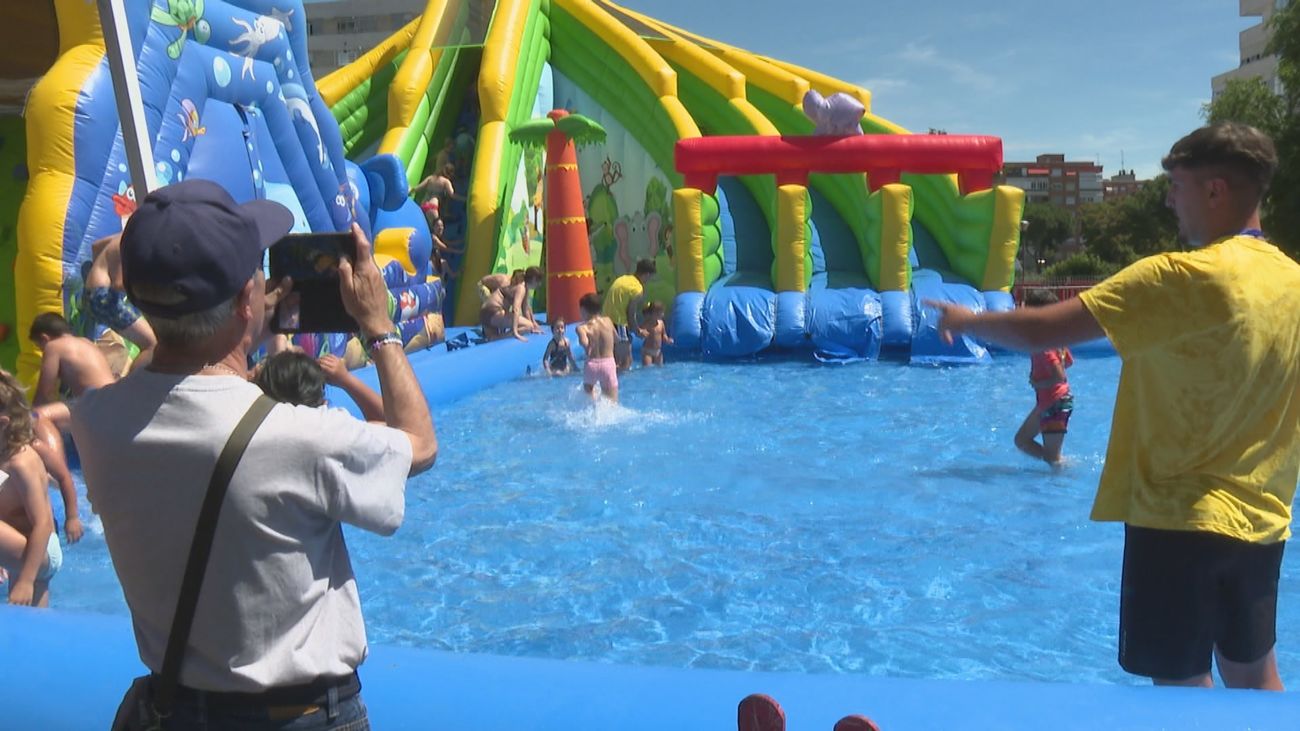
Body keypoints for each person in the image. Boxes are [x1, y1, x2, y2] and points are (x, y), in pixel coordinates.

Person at [927, 123, 1300, 690]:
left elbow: (1045, 330)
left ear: (1215, 191)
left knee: (1180, 688)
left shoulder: (1179, 275)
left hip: (1177, 518)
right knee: (1255, 676)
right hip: (1263, 520)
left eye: (1176, 185)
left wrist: (966, 320)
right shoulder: (1292, 282)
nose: (1169, 198)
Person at [70, 179, 437, 728]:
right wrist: (378, 324)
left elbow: (173, 374)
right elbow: (420, 444)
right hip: (303, 716)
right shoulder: (298, 436)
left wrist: (240, 330)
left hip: (180, 712)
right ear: (247, 298)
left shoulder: (96, 422)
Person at [28, 311, 114, 544]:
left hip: (93, 404)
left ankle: (56, 472)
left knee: (37, 417)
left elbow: (45, 392)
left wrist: (25, 421)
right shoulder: (85, 342)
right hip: (113, 403)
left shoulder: (54, 347)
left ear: (45, 338)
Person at [0, 371, 60, 607]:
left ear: (3, 423)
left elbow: (43, 523)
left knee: (27, 591)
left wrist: (26, 579)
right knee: (33, 622)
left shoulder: (21, 462)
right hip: (21, 545)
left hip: (41, 549)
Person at [1014, 290, 1074, 468]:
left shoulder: (1043, 343)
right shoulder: (1056, 338)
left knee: (1052, 459)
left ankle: (1064, 473)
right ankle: (1060, 463)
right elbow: (1068, 362)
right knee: (1021, 440)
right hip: (1049, 402)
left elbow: (1060, 376)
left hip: (1055, 403)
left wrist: (1038, 382)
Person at [83, 233, 157, 370]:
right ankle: (132, 385)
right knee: (152, 344)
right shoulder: (130, 242)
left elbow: (95, 246)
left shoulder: (120, 237)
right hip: (104, 298)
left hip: (94, 293)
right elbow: (119, 283)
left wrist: (97, 271)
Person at [254, 350, 386, 423]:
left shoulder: (255, 419)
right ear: (323, 403)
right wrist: (346, 380)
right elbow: (392, 424)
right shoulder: (329, 432)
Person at [603, 258, 655, 371]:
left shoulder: (623, 279)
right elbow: (631, 313)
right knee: (625, 362)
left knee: (613, 359)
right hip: (618, 322)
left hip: (605, 321)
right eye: (649, 277)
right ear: (646, 274)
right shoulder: (637, 288)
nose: (648, 280)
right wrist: (638, 331)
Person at [481, 267, 543, 341]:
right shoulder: (521, 288)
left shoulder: (523, 287)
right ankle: (498, 338)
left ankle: (494, 335)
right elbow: (516, 309)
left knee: (531, 325)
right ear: (533, 279)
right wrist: (515, 331)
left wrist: (534, 324)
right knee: (528, 326)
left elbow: (526, 308)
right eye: (538, 281)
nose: (539, 284)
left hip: (485, 314)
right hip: (493, 312)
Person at [577, 293, 618, 403]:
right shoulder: (608, 321)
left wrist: (587, 345)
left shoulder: (582, 327)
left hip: (592, 365)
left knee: (588, 401)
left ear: (583, 309)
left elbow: (583, 341)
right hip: (608, 364)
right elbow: (617, 339)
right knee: (612, 402)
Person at [637, 301, 674, 367]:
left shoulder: (661, 323)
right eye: (659, 312)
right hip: (647, 351)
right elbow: (639, 332)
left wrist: (668, 340)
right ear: (652, 313)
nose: (662, 314)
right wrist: (642, 333)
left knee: (659, 369)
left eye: (662, 312)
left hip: (658, 351)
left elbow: (664, 335)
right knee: (647, 368)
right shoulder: (647, 324)